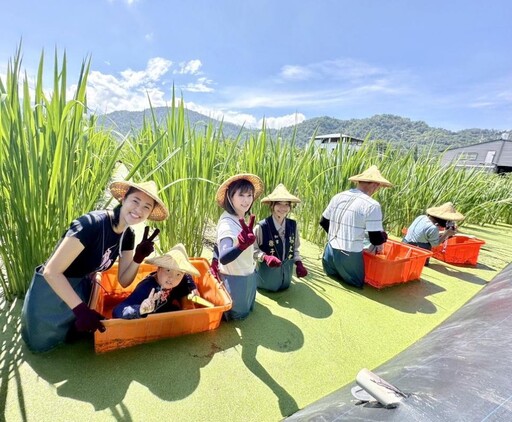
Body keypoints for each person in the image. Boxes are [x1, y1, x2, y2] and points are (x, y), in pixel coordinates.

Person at [21, 180, 169, 353]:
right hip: (50, 293)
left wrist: (138, 257)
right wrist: (81, 310)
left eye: (146, 207)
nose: (139, 210)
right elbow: (51, 272)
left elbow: (124, 280)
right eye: (135, 201)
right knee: (41, 348)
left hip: (78, 291)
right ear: (123, 198)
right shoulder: (91, 224)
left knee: (71, 345)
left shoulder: (127, 235)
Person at [320, 165, 392, 289]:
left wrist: (337, 235)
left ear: (359, 182)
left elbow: (323, 222)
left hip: (329, 252)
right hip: (350, 258)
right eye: (378, 187)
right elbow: (375, 239)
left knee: (332, 284)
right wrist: (383, 237)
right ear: (374, 185)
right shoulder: (372, 205)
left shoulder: (339, 196)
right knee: (355, 288)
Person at [215, 173, 264, 320]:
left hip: (247, 275)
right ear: (230, 197)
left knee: (246, 313)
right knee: (237, 316)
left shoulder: (240, 217)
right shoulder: (227, 223)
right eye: (241, 195)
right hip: (235, 281)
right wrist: (241, 246)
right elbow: (223, 257)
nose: (246, 200)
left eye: (249, 195)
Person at [112, 243, 200, 319]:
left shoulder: (178, 279)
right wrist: (140, 309)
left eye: (178, 274)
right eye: (168, 270)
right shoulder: (146, 287)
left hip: (166, 309)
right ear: (159, 268)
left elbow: (186, 276)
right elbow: (117, 311)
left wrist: (192, 287)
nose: (171, 278)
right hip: (148, 319)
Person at [253, 184, 308, 292]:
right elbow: (251, 250)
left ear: (290, 207)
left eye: (286, 204)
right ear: (272, 206)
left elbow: (295, 248)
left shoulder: (293, 225)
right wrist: (265, 257)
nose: (283, 208)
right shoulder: (261, 227)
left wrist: (299, 263)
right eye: (278, 204)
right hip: (266, 279)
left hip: (286, 279)